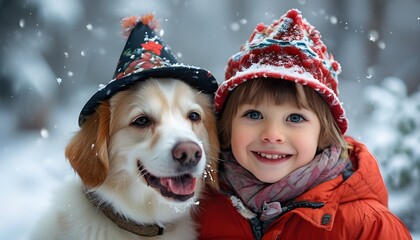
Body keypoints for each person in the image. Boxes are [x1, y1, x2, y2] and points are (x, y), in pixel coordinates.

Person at [196, 9, 412, 239]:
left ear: (324, 133)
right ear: (227, 127)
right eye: (254, 115)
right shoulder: (197, 211)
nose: (272, 134)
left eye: (295, 118)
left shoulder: (367, 227)